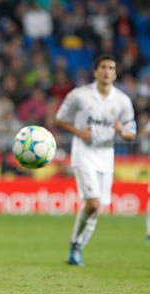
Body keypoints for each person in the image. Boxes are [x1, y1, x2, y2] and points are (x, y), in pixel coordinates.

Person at [55, 54, 137, 266]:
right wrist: (79, 132)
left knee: (97, 207)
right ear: (95, 72)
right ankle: (75, 244)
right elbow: (59, 119)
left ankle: (76, 247)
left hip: (106, 156)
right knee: (92, 203)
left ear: (115, 73)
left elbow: (132, 132)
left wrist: (121, 130)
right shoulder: (79, 96)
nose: (107, 71)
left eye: (111, 67)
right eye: (103, 67)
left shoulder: (122, 101)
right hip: (83, 152)